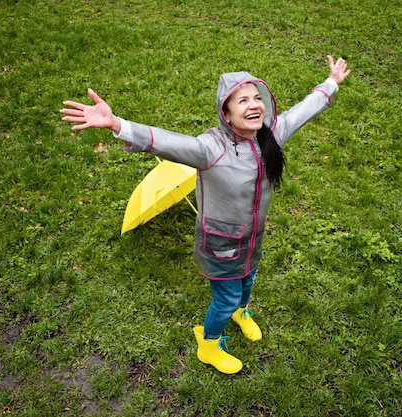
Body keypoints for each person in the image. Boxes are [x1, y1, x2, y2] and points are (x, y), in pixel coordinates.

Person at [61, 55, 350, 374]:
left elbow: (303, 110)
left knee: (248, 281)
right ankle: (208, 345)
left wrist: (331, 82)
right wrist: (118, 125)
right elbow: (165, 141)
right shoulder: (210, 150)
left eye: (257, 97)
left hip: (253, 236)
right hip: (222, 245)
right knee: (225, 299)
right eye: (242, 100)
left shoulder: (270, 135)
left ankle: (242, 312)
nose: (254, 105)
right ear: (226, 112)